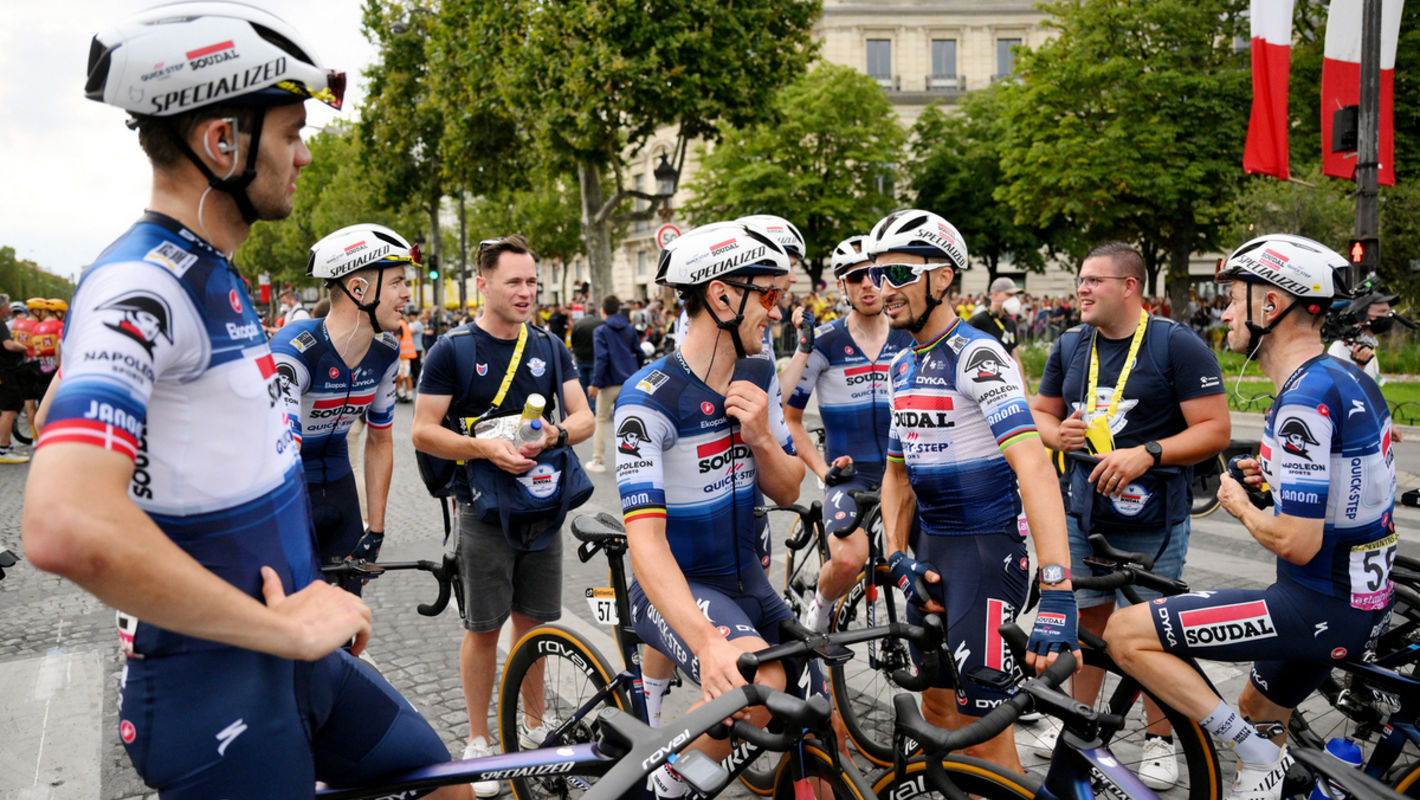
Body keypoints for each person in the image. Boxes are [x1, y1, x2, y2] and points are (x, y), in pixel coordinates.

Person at [22, 4, 468, 797]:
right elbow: (63, 524)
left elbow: (69, 406)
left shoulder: (207, 268)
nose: (302, 154)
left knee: (447, 783)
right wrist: (280, 626)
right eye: (291, 133)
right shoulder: (142, 281)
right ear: (222, 143)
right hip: (211, 684)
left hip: (297, 659)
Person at [1105, 234, 1395, 800]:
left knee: (1124, 633)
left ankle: (1255, 750)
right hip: (1360, 599)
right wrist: (1279, 476)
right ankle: (1264, 765)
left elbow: (1298, 543)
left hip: (1317, 602)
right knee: (1256, 705)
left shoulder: (1301, 403)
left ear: (1272, 305)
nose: (1227, 311)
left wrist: (1236, 501)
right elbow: (1352, 491)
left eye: (1237, 298)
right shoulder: (1348, 378)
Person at [866, 208, 1078, 772]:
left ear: (943, 277)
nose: (882, 289)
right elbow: (896, 475)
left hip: (986, 554)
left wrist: (1057, 583)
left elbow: (1034, 465)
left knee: (985, 728)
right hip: (931, 553)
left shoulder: (978, 355)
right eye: (876, 275)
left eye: (899, 274)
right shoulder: (901, 365)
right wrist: (895, 553)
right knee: (937, 703)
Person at [1029, 241, 1229, 786]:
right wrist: (1057, 433)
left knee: (1153, 632)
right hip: (1081, 511)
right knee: (1088, 620)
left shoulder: (1175, 344)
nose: (1083, 289)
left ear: (1130, 286)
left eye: (1094, 280)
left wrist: (1150, 453)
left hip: (1154, 519)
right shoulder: (1071, 344)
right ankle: (1078, 724)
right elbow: (1040, 416)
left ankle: (1162, 738)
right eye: (1080, 280)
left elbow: (1216, 430)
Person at [615, 219, 803, 797]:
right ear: (721, 296)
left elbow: (791, 490)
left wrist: (762, 439)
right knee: (758, 687)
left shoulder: (759, 374)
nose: (777, 313)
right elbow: (645, 543)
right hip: (676, 586)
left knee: (817, 702)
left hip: (747, 577)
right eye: (768, 296)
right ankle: (667, 784)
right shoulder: (647, 401)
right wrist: (705, 642)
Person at [411, 234, 593, 797]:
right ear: (483, 283)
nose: (526, 292)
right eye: (514, 281)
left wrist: (555, 432)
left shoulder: (549, 344)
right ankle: (478, 740)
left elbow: (585, 418)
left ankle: (534, 726)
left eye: (532, 281)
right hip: (483, 510)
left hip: (543, 504)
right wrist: (485, 449)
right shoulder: (452, 350)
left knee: (535, 624)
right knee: (484, 628)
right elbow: (422, 430)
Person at [271, 223, 413, 596]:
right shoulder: (295, 350)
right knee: (296, 624)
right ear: (358, 289)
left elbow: (380, 439)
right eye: (397, 282)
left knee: (347, 617)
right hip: (287, 491)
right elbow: (284, 453)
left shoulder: (386, 351)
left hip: (338, 488)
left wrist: (376, 529)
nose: (407, 294)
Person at [782, 235, 914, 632]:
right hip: (850, 475)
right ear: (843, 285)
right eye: (857, 277)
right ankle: (819, 612)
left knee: (919, 560)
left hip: (907, 471)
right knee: (847, 559)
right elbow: (789, 418)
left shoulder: (910, 336)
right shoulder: (825, 342)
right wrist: (823, 472)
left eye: (878, 274)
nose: (870, 284)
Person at [586, 294, 644, 472]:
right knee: (631, 421)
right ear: (618, 309)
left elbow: (601, 358)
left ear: (603, 310)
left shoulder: (601, 331)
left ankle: (598, 460)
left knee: (601, 419)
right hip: (630, 382)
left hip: (609, 383)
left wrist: (595, 383)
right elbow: (640, 353)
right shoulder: (629, 328)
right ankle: (635, 460)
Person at [968, 276, 1028, 381]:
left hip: (1007, 381)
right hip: (985, 380)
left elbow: (1016, 360)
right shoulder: (979, 321)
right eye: (1009, 295)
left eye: (1015, 295)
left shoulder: (1010, 323)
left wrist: (1025, 393)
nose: (1014, 299)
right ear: (995, 295)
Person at [0, 297, 32, 463]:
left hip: (4, 372)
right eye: (7, 305)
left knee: (7, 409)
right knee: (9, 410)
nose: (10, 309)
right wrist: (24, 347)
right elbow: (9, 345)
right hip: (6, 372)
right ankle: (3, 450)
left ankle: (6, 446)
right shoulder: (0, 324)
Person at [570, 302, 601, 397]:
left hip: (581, 358)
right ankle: (592, 409)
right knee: (593, 387)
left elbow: (573, 341)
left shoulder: (578, 324)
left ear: (585, 311)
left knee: (583, 386)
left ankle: (584, 406)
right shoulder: (600, 323)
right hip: (594, 359)